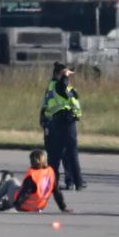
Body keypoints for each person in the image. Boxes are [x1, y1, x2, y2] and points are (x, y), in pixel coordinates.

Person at [0, 150, 68, 213]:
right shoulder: (50, 173)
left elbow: (25, 193)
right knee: (18, 184)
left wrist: (15, 207)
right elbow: (57, 192)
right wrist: (63, 207)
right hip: (39, 206)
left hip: (25, 206)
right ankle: (3, 202)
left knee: (11, 181)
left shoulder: (33, 176)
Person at [43, 63, 86, 191]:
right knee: (71, 154)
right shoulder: (59, 84)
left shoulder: (52, 85)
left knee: (55, 155)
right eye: (66, 74)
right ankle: (77, 182)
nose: (69, 77)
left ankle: (53, 183)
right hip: (65, 121)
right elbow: (63, 88)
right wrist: (65, 76)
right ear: (60, 74)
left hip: (55, 121)